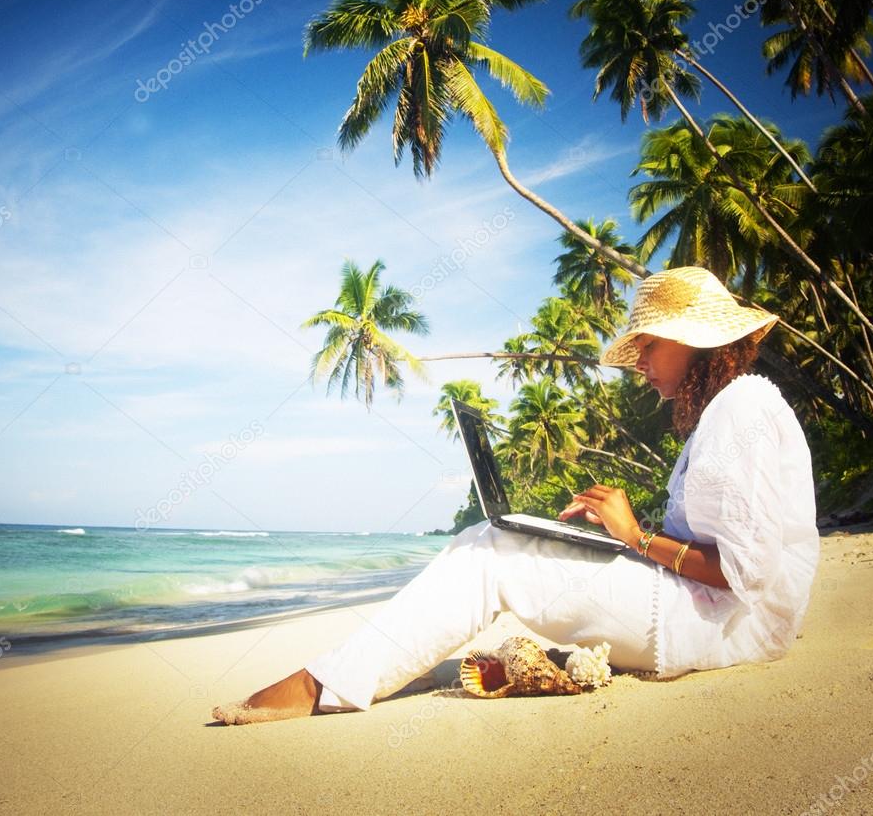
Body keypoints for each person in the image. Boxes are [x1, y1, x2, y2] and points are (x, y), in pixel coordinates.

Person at [211, 266, 820, 725]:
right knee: (496, 540)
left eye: (650, 347)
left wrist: (635, 537)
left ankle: (327, 685)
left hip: (729, 626)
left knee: (491, 550)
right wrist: (617, 539)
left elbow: (747, 575)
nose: (641, 365)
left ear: (695, 343)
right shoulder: (731, 410)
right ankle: (341, 675)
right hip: (711, 612)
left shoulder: (743, 411)